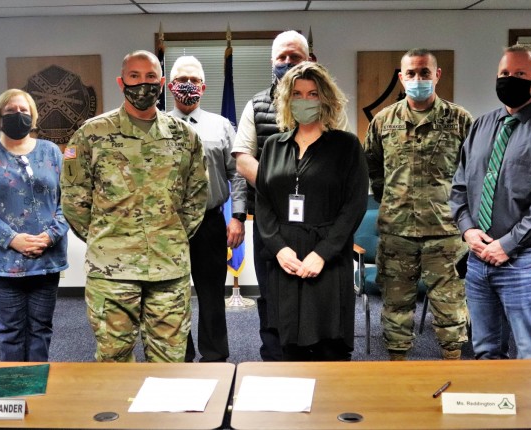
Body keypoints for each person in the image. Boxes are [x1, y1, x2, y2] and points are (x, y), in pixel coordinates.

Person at [60, 50, 208, 363]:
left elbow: (196, 198)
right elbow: (74, 199)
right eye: (135, 77)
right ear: (121, 82)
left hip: (169, 268)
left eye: (151, 77)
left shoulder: (184, 136)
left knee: (170, 364)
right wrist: (109, 236)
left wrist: (169, 235)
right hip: (112, 271)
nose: (143, 84)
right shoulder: (91, 134)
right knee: (114, 363)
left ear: (162, 82)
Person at [450, 44, 531, 359]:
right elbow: (459, 186)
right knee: (484, 350)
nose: (510, 79)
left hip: (527, 262)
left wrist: (507, 244)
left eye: (520, 74)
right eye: (504, 73)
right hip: (478, 260)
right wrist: (468, 231)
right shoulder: (482, 125)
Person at [233, 30, 346, 361]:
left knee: (316, 291)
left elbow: (339, 159)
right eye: (281, 57)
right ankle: (277, 359)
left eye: (293, 57)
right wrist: (278, 193)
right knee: (272, 294)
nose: (286, 63)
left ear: (309, 59)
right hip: (271, 222)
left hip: (318, 223)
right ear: (272, 61)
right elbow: (243, 158)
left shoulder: (327, 105)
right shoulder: (256, 105)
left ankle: (316, 358)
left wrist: (305, 187)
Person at [364, 48, 472, 361]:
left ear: (437, 75)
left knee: (450, 310)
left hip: (445, 232)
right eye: (411, 73)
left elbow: (475, 172)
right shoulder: (384, 121)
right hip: (397, 231)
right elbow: (373, 167)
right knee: (396, 309)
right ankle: (398, 369)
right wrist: (393, 198)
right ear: (401, 77)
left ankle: (452, 366)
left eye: (424, 72)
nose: (417, 79)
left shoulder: (460, 119)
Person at [255, 61, 368, 361]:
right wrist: (278, 249)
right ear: (286, 100)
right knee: (286, 343)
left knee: (328, 345)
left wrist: (322, 253)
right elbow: (263, 202)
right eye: (297, 94)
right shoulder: (273, 146)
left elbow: (354, 206)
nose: (305, 101)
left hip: (327, 258)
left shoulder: (346, 146)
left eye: (313, 94)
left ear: (325, 98)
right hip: (286, 259)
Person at [0, 89, 69, 362]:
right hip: (3, 263)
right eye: (10, 111)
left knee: (41, 328)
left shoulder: (50, 153)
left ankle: (37, 390)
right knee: (10, 331)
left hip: (46, 258)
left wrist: (49, 236)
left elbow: (69, 200)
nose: (18, 115)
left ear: (33, 115)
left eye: (24, 110)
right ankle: (14, 388)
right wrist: (13, 239)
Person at [166, 56, 246, 362]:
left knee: (212, 294)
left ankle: (214, 356)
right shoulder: (157, 126)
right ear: (171, 86)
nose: (188, 86)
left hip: (210, 223)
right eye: (181, 80)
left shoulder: (221, 125)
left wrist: (237, 217)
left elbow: (236, 173)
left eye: (194, 80)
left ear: (204, 86)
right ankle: (180, 354)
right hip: (168, 226)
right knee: (173, 295)